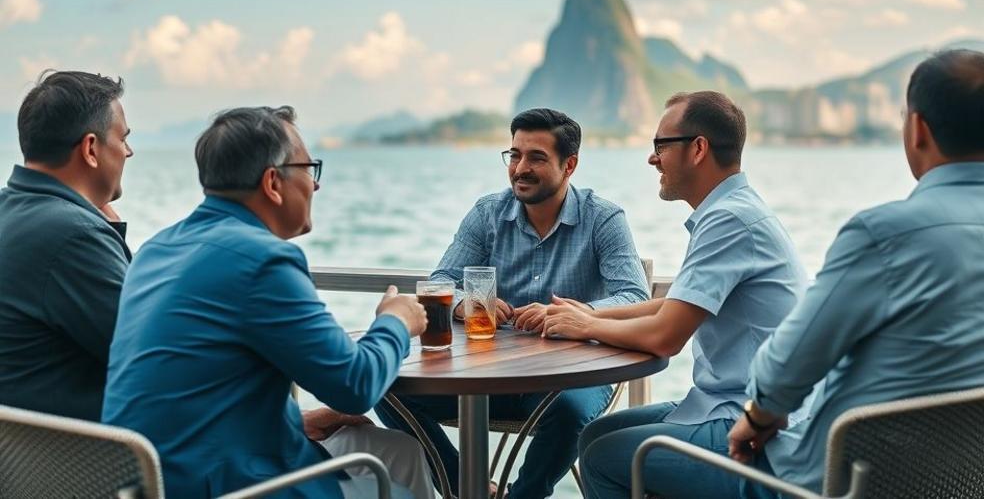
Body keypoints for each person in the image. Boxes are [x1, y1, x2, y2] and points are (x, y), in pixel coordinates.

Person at [102, 106, 433, 499]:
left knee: (400, 452)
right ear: (273, 182)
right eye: (310, 169)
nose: (315, 185)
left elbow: (202, 385)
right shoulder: (263, 259)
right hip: (226, 485)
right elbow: (356, 386)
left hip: (149, 479)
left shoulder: (157, 250)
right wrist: (395, 321)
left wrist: (295, 419)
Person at [727, 49, 984, 496]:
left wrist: (757, 416)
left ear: (918, 129)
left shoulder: (885, 234)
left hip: (842, 483)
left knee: (618, 453)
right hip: (965, 482)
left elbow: (782, 373)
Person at [375, 107, 650, 499]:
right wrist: (466, 304)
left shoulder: (603, 218)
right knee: (386, 386)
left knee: (570, 411)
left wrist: (575, 314)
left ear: (569, 165)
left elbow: (635, 297)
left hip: (569, 378)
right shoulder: (488, 213)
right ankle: (466, 489)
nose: (520, 168)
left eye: (536, 157)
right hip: (490, 376)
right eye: (514, 155)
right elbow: (441, 281)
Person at [548, 91, 808, 499]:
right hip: (729, 406)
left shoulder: (729, 220)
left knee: (603, 457)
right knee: (596, 435)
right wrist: (592, 315)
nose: (653, 159)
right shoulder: (734, 210)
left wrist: (587, 325)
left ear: (698, 148)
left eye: (660, 146)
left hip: (758, 433)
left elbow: (666, 337)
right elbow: (675, 305)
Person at [0, 70, 133, 421]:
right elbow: (151, 358)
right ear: (91, 148)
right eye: (123, 139)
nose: (128, 152)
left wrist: (107, 227)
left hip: (19, 465)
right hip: (91, 467)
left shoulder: (11, 212)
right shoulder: (75, 237)